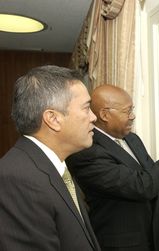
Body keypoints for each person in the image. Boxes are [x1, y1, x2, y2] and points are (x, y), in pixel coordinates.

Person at [66, 84, 159, 251]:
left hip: (151, 239)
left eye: (132, 109)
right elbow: (141, 186)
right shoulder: (87, 151)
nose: (132, 116)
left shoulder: (132, 139)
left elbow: (155, 176)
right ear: (104, 115)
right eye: (127, 111)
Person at [0, 65, 100, 251]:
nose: (94, 117)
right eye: (86, 108)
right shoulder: (17, 179)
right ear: (53, 119)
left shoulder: (52, 165)